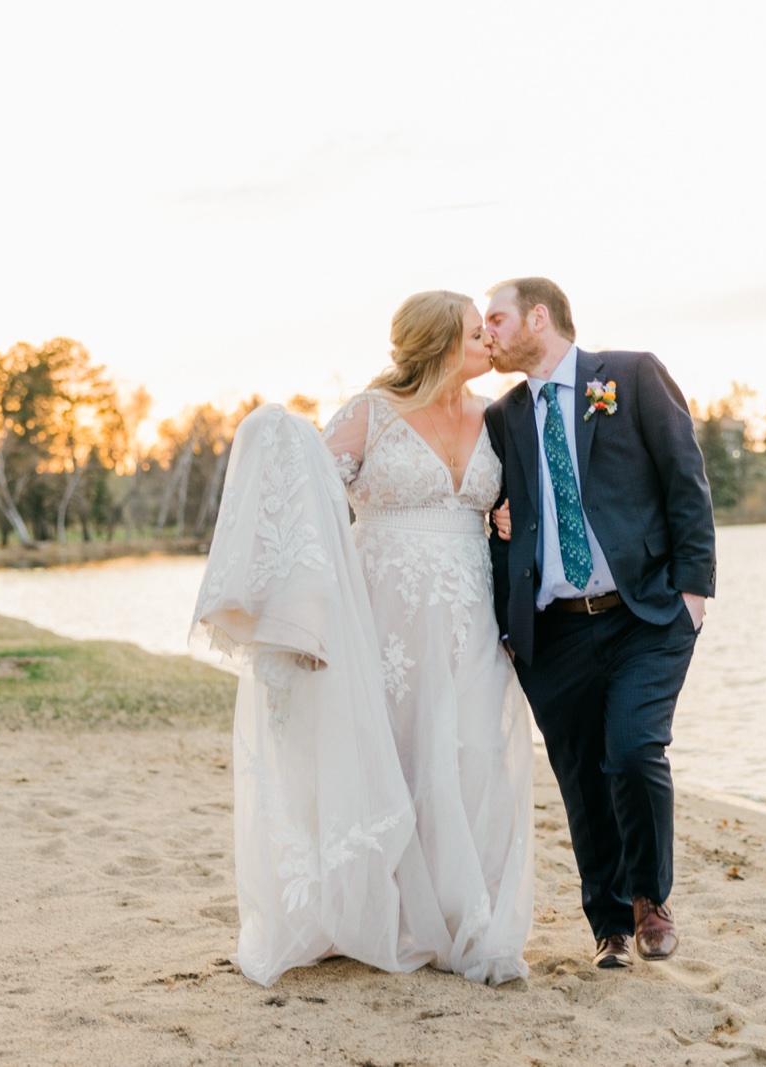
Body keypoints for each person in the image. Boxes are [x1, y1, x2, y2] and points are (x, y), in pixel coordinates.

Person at [191, 290, 534, 987]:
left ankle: (469, 917)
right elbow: (310, 495)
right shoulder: (370, 414)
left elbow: (508, 502)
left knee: (472, 752)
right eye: (476, 332)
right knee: (398, 755)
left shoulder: (494, 417)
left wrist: (503, 519)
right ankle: (387, 912)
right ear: (441, 343)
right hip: (385, 614)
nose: (488, 343)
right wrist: (304, 609)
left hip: (472, 613)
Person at [483, 277, 715, 970]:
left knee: (635, 749)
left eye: (496, 318)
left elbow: (685, 479)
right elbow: (496, 513)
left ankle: (651, 899)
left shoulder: (632, 375)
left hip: (646, 612)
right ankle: (608, 923)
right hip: (553, 632)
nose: (487, 332)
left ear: (540, 316)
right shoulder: (502, 417)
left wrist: (694, 591)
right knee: (581, 774)